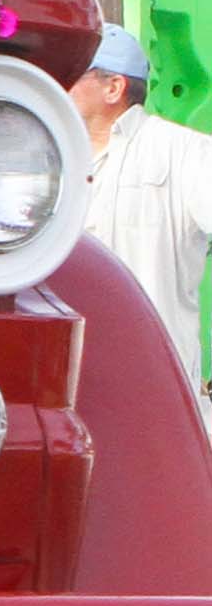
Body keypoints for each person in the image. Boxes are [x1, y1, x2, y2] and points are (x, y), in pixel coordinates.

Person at [73, 25, 212, 388]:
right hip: (75, 376)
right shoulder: (52, 159)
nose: (59, 84)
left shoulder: (181, 151)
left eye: (73, 73)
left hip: (155, 379)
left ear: (114, 87)